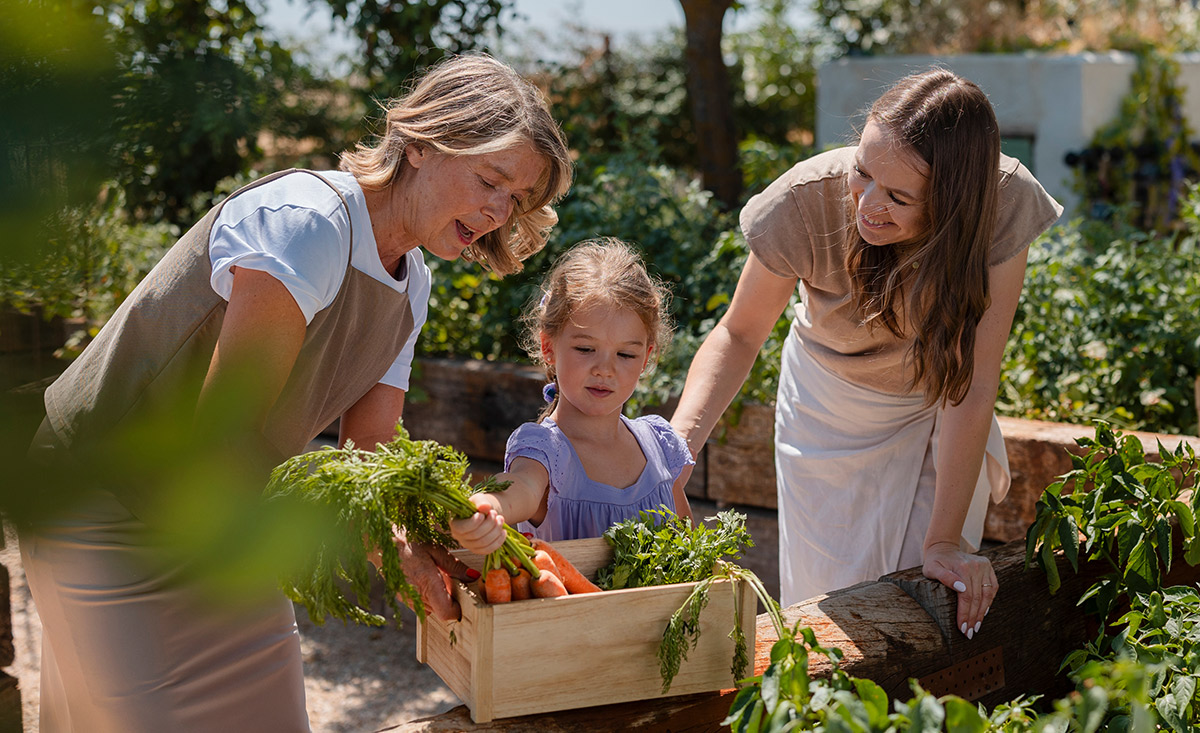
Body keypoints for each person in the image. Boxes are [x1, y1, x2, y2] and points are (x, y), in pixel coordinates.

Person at [19, 54, 572, 732]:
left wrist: (416, 557)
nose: (497, 212)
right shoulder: (309, 224)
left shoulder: (411, 285)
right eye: (491, 179)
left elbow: (366, 464)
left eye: (515, 200)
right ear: (425, 143)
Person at [669, 68, 1063, 639]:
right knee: (830, 618)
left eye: (899, 196)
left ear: (954, 202)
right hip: (826, 412)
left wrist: (944, 541)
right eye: (862, 172)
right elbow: (739, 334)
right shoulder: (803, 199)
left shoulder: (1001, 204)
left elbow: (972, 382)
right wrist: (678, 450)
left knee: (931, 608)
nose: (868, 204)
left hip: (937, 406)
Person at [449, 238, 693, 555]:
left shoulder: (660, 446)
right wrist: (490, 505)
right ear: (549, 347)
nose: (605, 369)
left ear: (645, 358)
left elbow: (693, 547)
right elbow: (521, 488)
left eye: (625, 355)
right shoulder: (545, 451)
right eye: (585, 349)